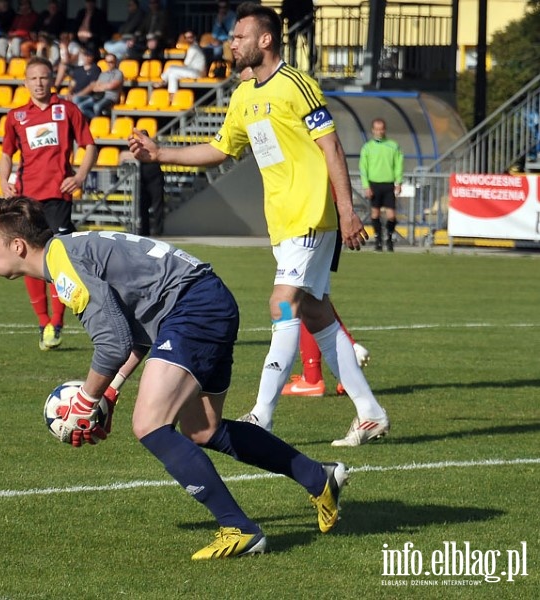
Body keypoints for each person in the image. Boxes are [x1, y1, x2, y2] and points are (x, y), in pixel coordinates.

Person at [0, 196, 349, 559]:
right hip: (204, 300)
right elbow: (136, 332)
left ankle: (238, 528)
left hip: (192, 308)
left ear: (18, 245)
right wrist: (110, 392)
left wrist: (85, 400)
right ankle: (318, 477)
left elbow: (112, 343)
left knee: (149, 424)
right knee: (203, 429)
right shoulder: (71, 249)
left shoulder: (63, 265)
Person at [128, 2, 390, 447]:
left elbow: (331, 148)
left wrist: (346, 209)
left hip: (311, 216)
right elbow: (220, 149)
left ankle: (262, 414)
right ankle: (370, 413)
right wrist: (161, 154)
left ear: (264, 40)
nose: (232, 43)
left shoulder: (296, 85)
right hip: (283, 224)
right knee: (315, 313)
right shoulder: (244, 95)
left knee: (281, 304)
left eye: (239, 36)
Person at [0, 56, 97, 351]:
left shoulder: (66, 110)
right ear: (26, 82)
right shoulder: (16, 116)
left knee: (57, 259)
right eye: (34, 78)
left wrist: (79, 175)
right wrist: (4, 180)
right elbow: (6, 154)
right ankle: (43, 322)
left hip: (58, 196)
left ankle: (57, 321)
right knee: (29, 259)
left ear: (51, 79)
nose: (39, 83)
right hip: (27, 198)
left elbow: (89, 144)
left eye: (44, 77)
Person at [359, 118, 404, 252]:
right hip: (374, 184)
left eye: (381, 129)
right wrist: (366, 186)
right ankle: (378, 240)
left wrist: (398, 182)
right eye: (376, 129)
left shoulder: (393, 146)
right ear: (373, 130)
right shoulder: (367, 147)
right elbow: (363, 167)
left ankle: (389, 238)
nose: (379, 132)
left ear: (385, 130)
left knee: (391, 215)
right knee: (375, 213)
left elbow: (399, 165)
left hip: (389, 183)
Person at [156, 30, 206, 102]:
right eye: (186, 37)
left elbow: (186, 64)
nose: (188, 39)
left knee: (171, 68)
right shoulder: (192, 47)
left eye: (190, 37)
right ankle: (172, 96)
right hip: (193, 70)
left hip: (197, 72)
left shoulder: (193, 48)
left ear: (194, 37)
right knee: (172, 74)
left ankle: (162, 81)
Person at [75, 52, 123, 119]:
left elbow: (112, 86)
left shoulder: (118, 73)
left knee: (96, 107)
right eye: (107, 62)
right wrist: (105, 86)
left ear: (115, 62)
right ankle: (94, 120)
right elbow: (95, 88)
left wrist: (102, 86)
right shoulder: (103, 74)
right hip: (99, 96)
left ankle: (97, 122)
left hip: (110, 98)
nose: (109, 64)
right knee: (80, 105)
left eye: (111, 62)